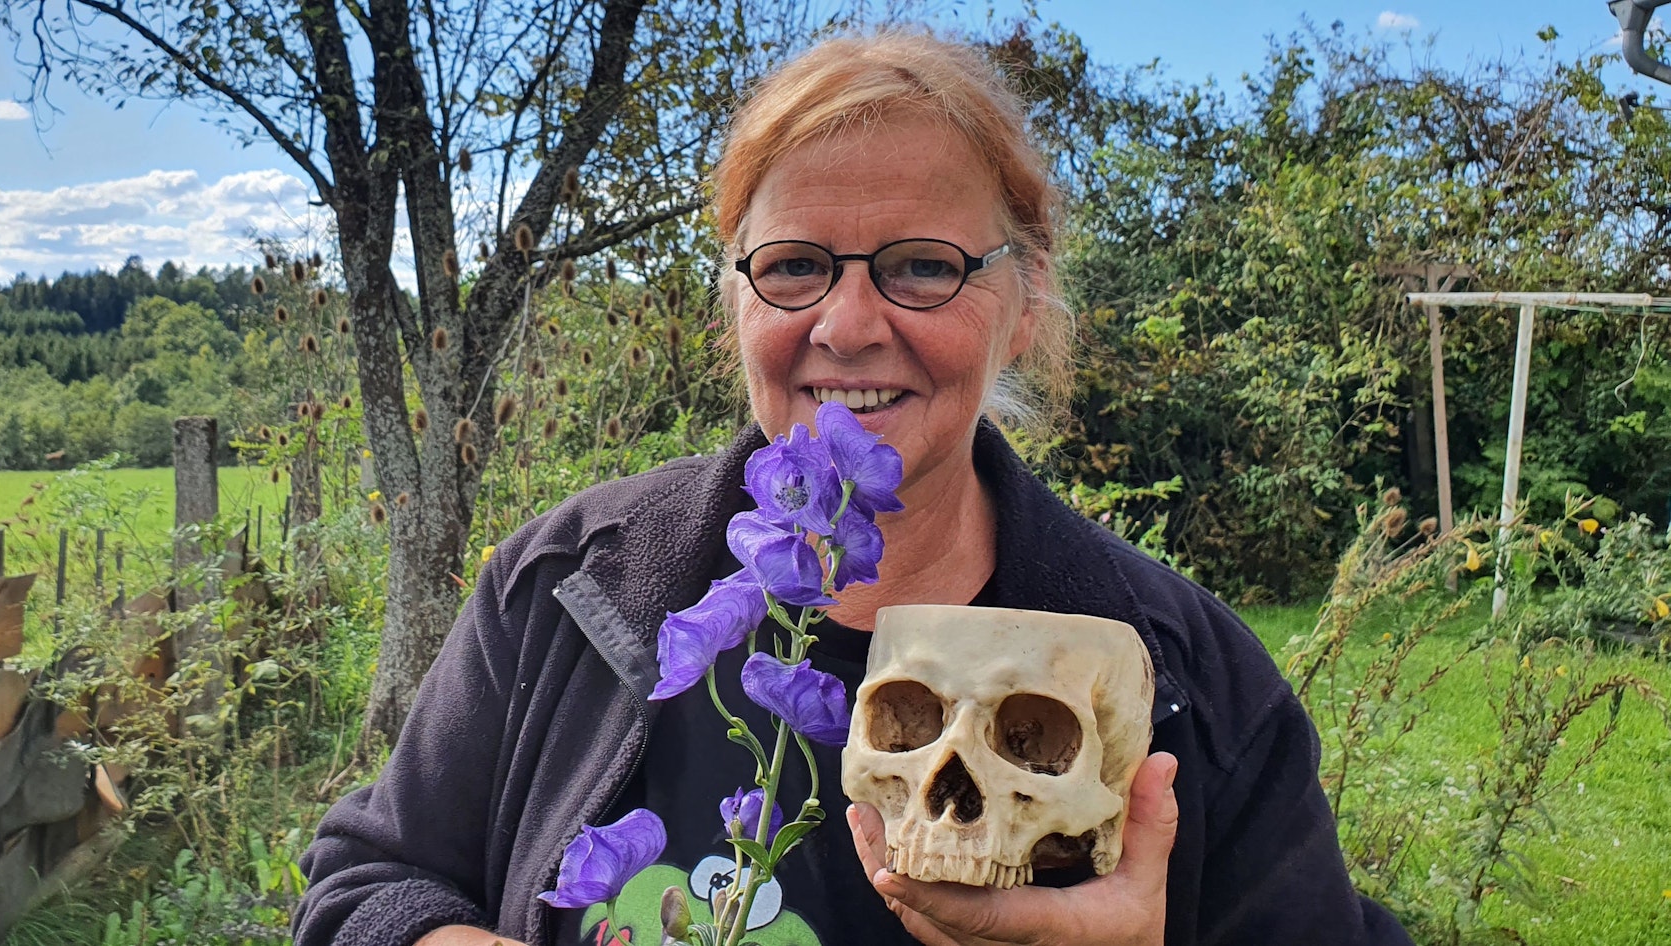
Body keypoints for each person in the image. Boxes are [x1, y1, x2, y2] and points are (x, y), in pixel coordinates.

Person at [293, 30, 1414, 946]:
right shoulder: (564, 589)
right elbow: (364, 886)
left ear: (1024, 303)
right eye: (793, 266)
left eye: (923, 265)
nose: (848, 324)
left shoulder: (1189, 680)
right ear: (737, 301)